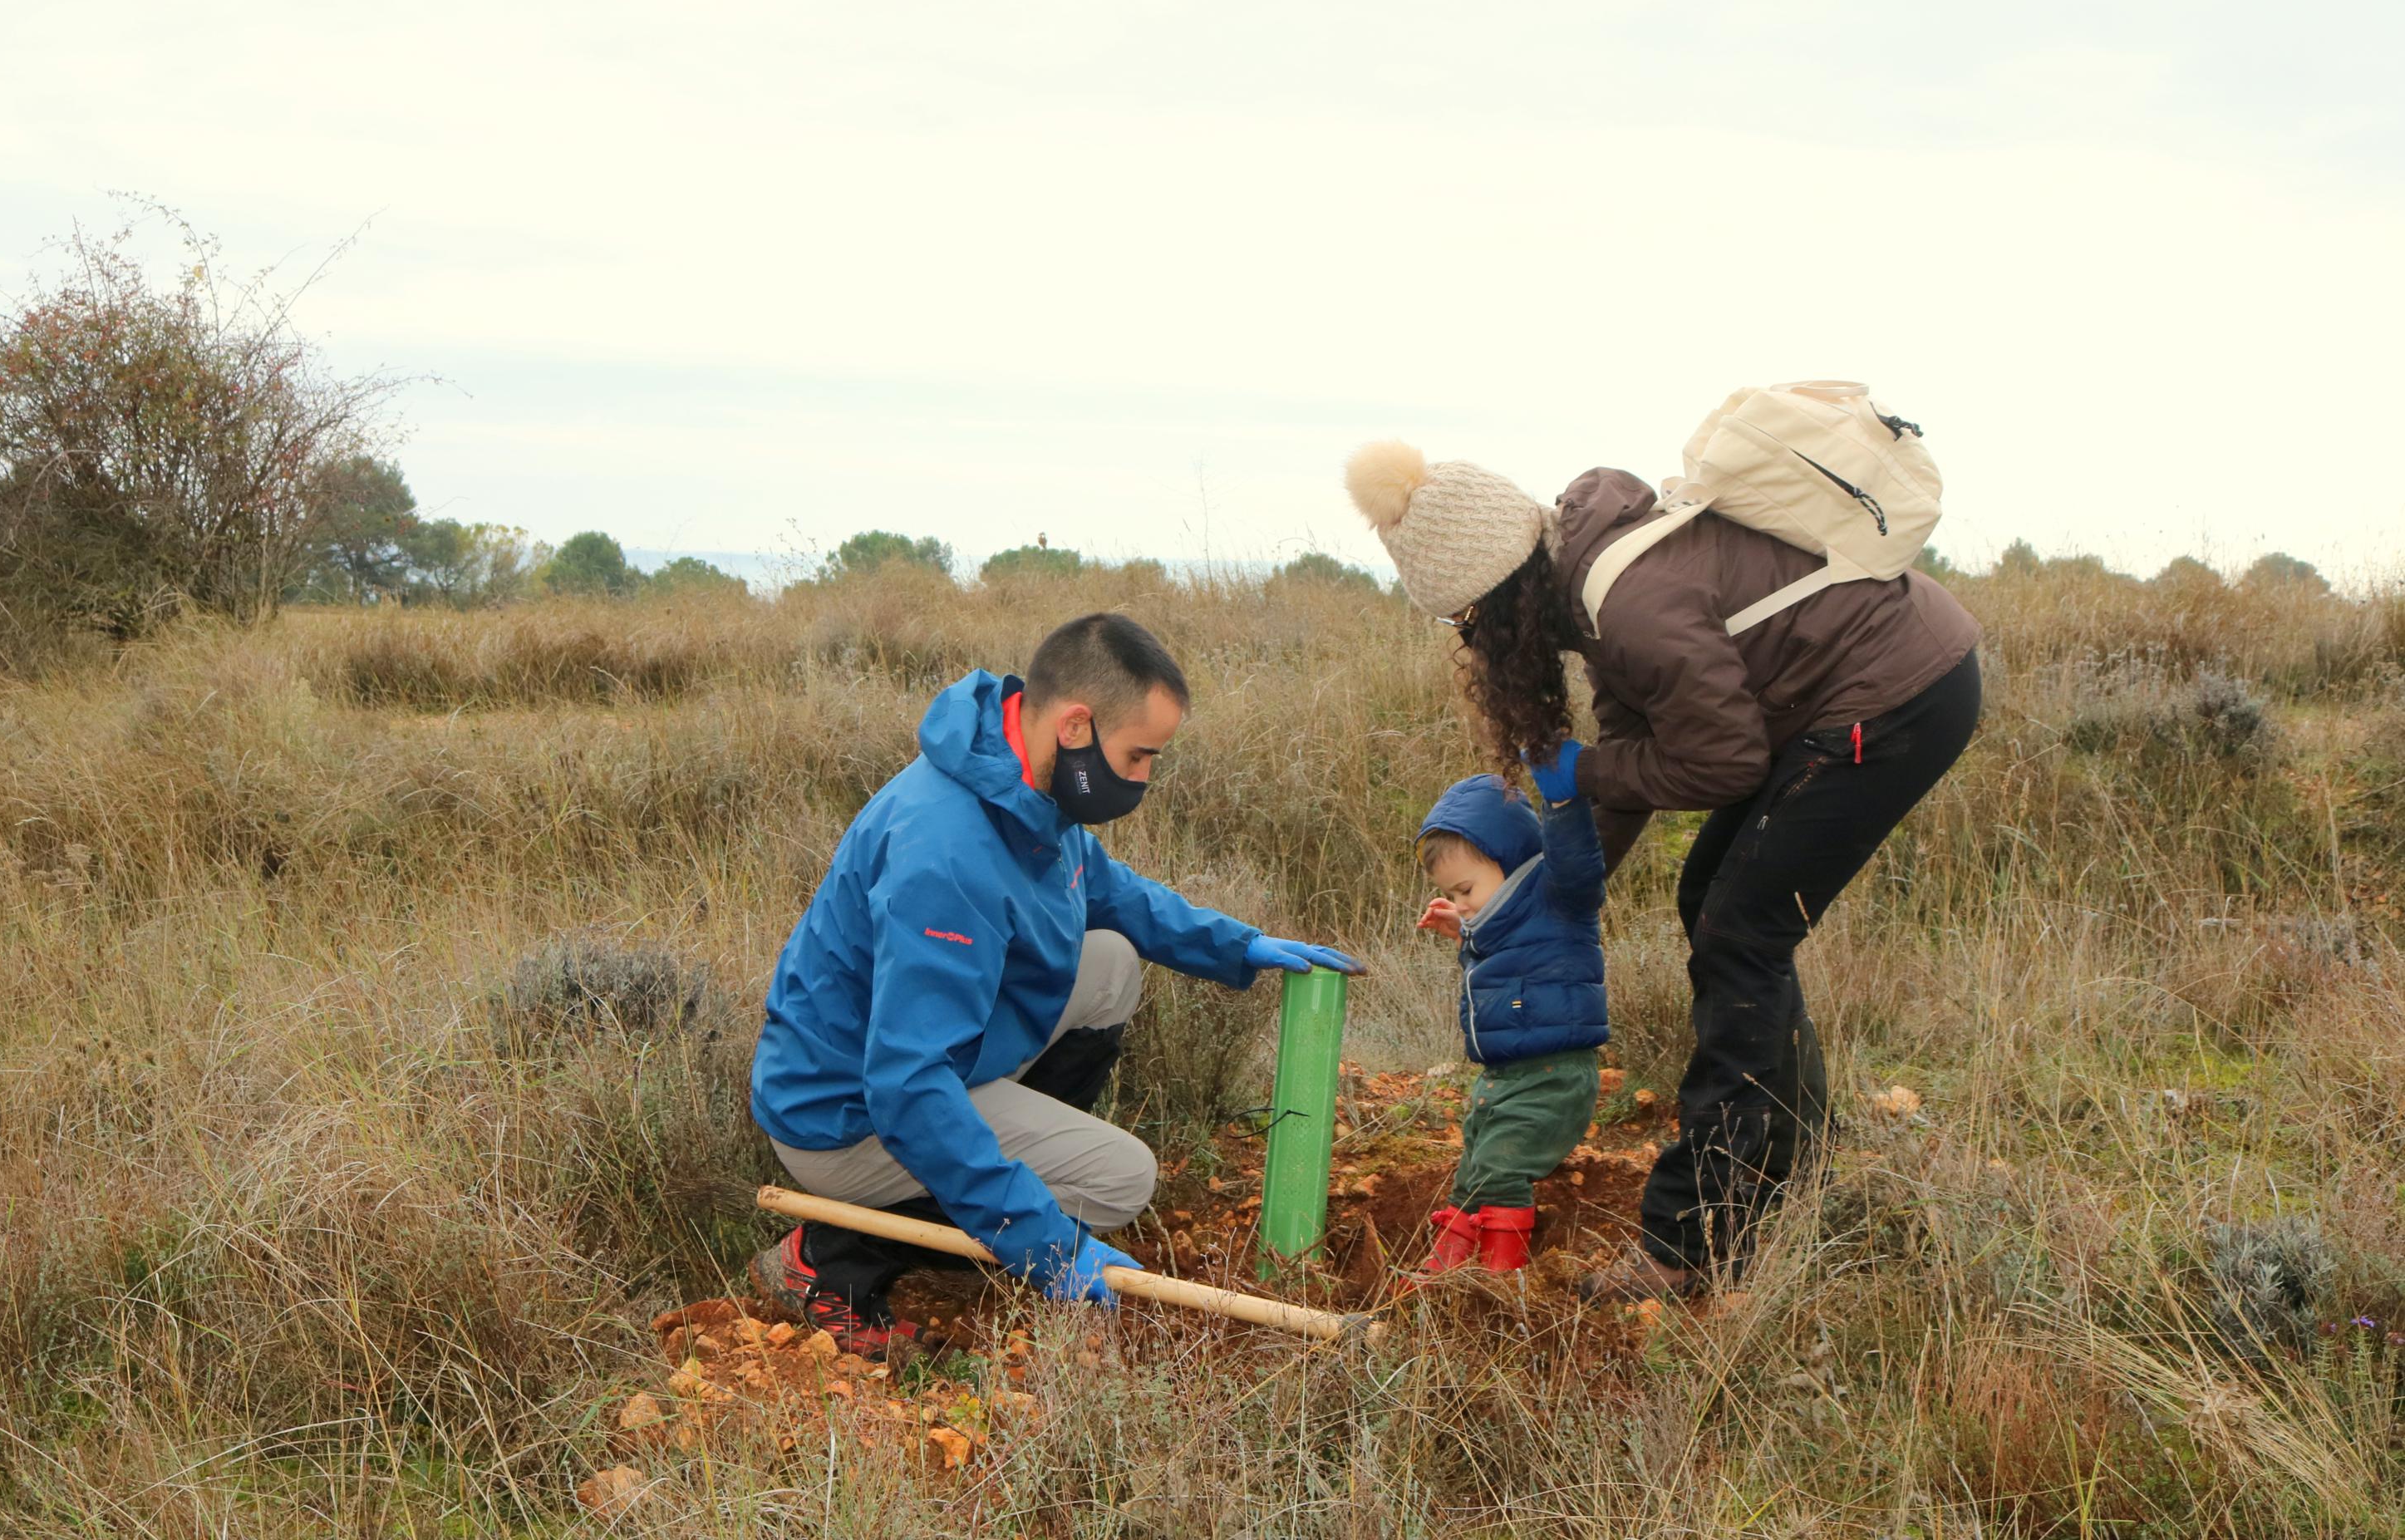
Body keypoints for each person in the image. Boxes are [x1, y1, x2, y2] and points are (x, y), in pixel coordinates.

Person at [1346, 440, 1980, 1299]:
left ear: (1499, 593)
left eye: (1467, 620)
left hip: (1895, 694)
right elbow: (1639, 749)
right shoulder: (1588, 585)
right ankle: (1797, 1158)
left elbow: (1721, 761)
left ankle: (1690, 1239)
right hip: (1864, 684)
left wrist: (1589, 771)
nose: (1473, 641)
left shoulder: (1629, 603)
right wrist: (1543, 894)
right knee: (1714, 905)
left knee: (1739, 933)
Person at [748, 613, 1359, 1354]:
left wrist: (1237, 946)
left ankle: (1003, 1179)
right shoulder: (946, 855)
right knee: (1120, 1183)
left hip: (920, 1049)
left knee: (1109, 962)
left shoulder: (1020, 779)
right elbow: (906, 1088)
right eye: (1139, 756)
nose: (1143, 778)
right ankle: (828, 1259)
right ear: (1076, 726)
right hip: (847, 1112)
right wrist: (1046, 1244)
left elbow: (1107, 891)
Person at [1412, 771, 1609, 1272]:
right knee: (1473, 1175)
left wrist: (1563, 800)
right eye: (1451, 894)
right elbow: (1511, 972)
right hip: (1500, 1080)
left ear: (1512, 863)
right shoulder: (1493, 929)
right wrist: (1464, 935)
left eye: (1465, 889)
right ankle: (1451, 1269)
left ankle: (1500, 1277)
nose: (1459, 902)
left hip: (1552, 1075)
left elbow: (1578, 862)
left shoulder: (1557, 898)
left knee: (1501, 1171)